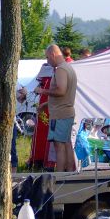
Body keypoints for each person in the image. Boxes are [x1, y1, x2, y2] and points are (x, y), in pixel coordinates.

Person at [34, 44, 78, 172]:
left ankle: (59, 176)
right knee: (67, 143)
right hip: (66, 111)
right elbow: (64, 95)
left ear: (53, 55)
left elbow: (61, 91)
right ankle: (69, 172)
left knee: (59, 146)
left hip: (60, 114)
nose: (47, 61)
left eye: (47, 58)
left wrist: (42, 90)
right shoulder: (68, 68)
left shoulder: (61, 70)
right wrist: (45, 105)